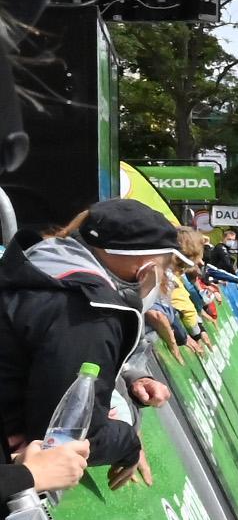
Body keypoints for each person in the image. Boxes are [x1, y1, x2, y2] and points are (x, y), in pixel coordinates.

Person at [0, 197, 178, 490]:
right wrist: (127, 442)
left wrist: (132, 377)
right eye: (164, 268)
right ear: (144, 268)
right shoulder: (90, 313)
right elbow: (65, 437)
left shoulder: (36, 263)